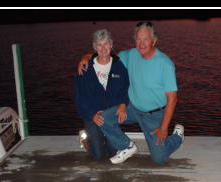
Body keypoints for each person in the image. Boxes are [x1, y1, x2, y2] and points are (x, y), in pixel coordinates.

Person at [78, 21, 184, 164]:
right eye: (138, 39)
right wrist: (86, 57)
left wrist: (164, 129)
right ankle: (127, 146)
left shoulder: (165, 64)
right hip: (133, 109)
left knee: (158, 158)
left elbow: (173, 99)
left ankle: (177, 136)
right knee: (103, 118)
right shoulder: (131, 55)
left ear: (155, 40)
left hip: (154, 115)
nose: (142, 43)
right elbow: (106, 54)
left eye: (146, 39)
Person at [74, 29, 130, 162]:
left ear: (111, 45)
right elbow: (79, 97)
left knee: (113, 152)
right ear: (94, 47)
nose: (103, 48)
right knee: (97, 156)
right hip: (93, 116)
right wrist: (91, 115)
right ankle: (85, 139)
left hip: (111, 116)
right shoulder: (85, 68)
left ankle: (102, 141)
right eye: (99, 45)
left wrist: (123, 104)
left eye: (106, 44)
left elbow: (126, 89)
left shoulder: (120, 66)